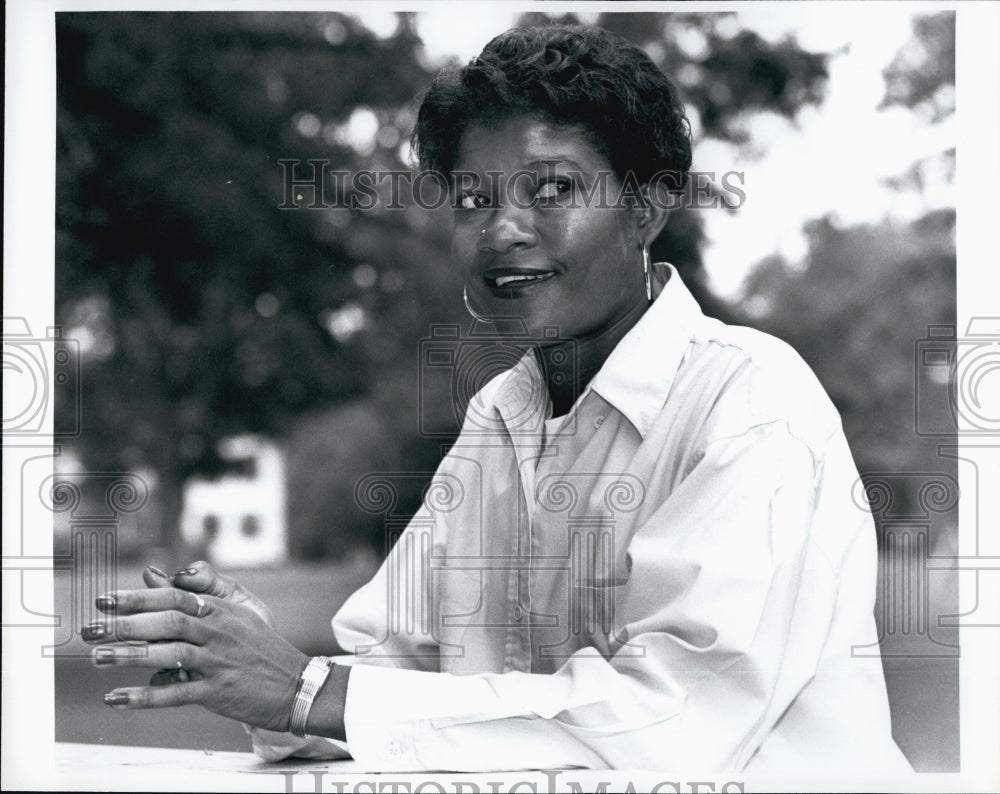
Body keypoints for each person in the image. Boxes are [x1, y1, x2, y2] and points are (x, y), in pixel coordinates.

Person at [86, 24, 912, 775]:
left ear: (648, 207)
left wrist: (310, 688)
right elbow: (385, 677)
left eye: (551, 189)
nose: (502, 230)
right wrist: (253, 660)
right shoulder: (503, 415)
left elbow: (667, 726)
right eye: (474, 200)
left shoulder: (750, 407)